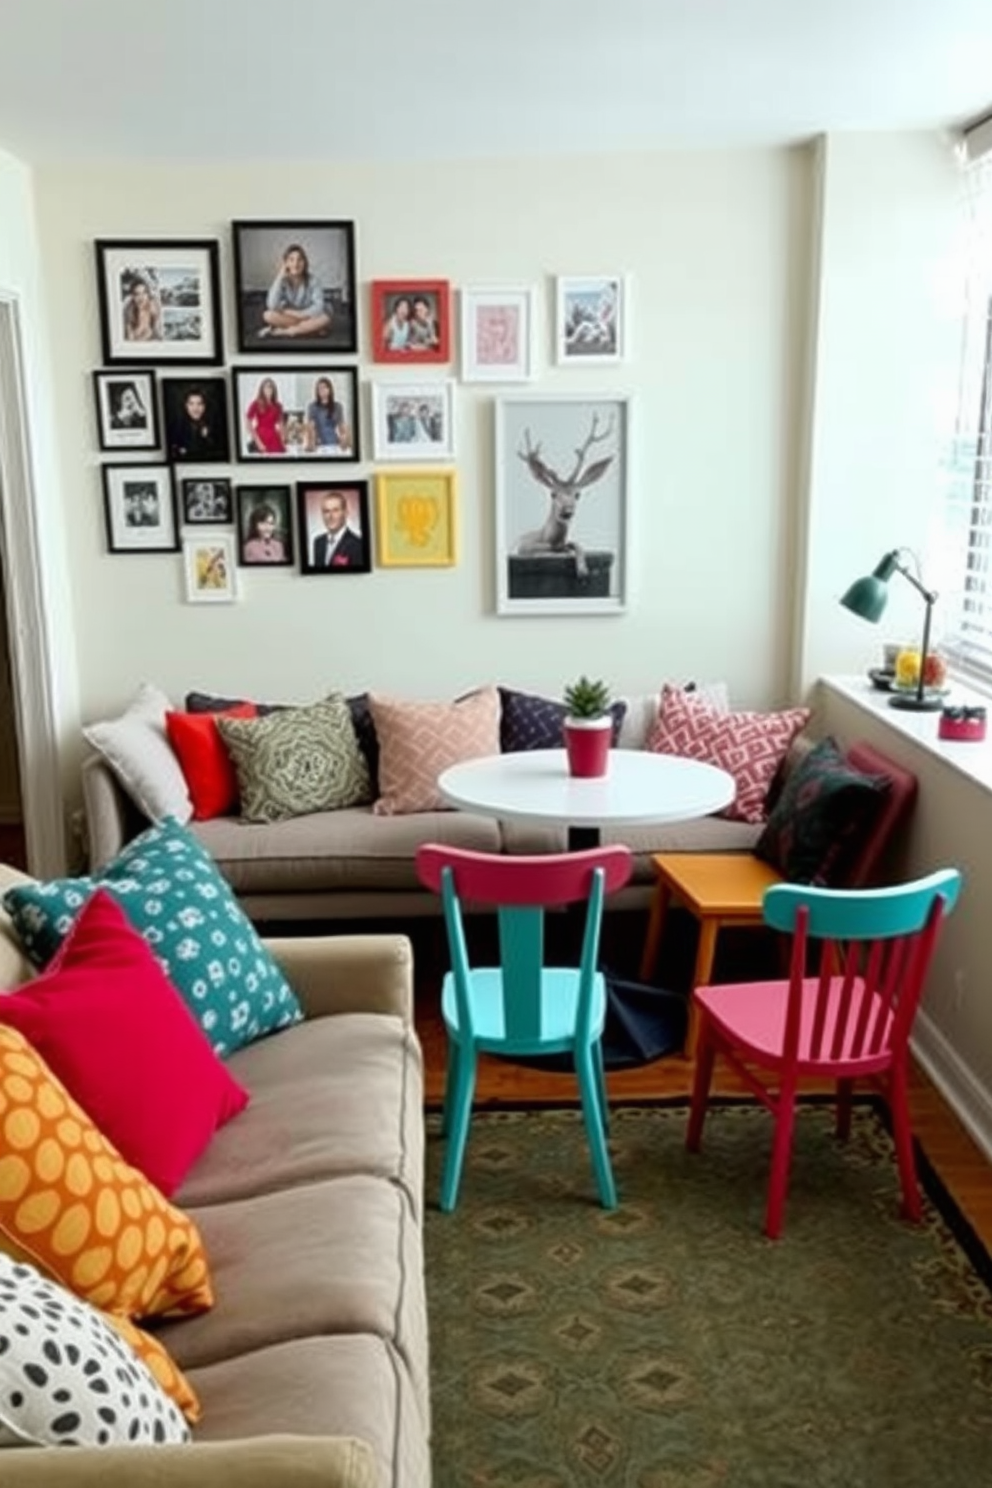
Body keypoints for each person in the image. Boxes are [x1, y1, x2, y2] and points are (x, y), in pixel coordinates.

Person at [261, 244, 331, 340]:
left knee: (325, 318)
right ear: (286, 263)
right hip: (295, 318)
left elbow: (319, 307)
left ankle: (285, 332)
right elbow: (272, 305)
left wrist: (300, 314)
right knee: (268, 315)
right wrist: (280, 275)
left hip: (309, 316)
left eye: (300, 260)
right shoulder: (282, 280)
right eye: (291, 260)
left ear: (305, 263)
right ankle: (311, 329)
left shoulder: (313, 280)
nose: (296, 264)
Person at [169, 386, 226, 461]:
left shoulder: (215, 427)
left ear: (205, 405)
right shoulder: (176, 428)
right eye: (191, 404)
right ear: (186, 405)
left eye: (200, 404)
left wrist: (206, 438)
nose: (195, 408)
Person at [312, 491, 364, 568]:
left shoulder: (358, 545)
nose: (330, 516)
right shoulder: (318, 542)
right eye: (326, 511)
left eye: (335, 510)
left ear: (345, 513)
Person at [306, 377, 351, 454]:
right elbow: (311, 427)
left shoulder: (337, 406)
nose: (322, 390)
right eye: (319, 388)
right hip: (319, 444)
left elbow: (341, 427)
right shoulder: (313, 406)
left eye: (324, 387)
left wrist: (344, 440)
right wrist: (311, 442)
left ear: (329, 389)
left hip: (333, 442)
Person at [245, 377, 286, 455]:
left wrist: (283, 438)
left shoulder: (278, 406)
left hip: (274, 436)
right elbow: (248, 421)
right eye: (266, 387)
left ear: (273, 390)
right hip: (261, 435)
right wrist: (257, 441)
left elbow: (281, 424)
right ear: (262, 389)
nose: (268, 389)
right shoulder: (256, 403)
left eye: (271, 387)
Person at [122, 275, 163, 341]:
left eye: (144, 293)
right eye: (137, 294)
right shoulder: (129, 311)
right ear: (132, 296)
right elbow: (130, 340)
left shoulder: (153, 308)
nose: (141, 298)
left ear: (148, 294)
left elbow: (159, 335)